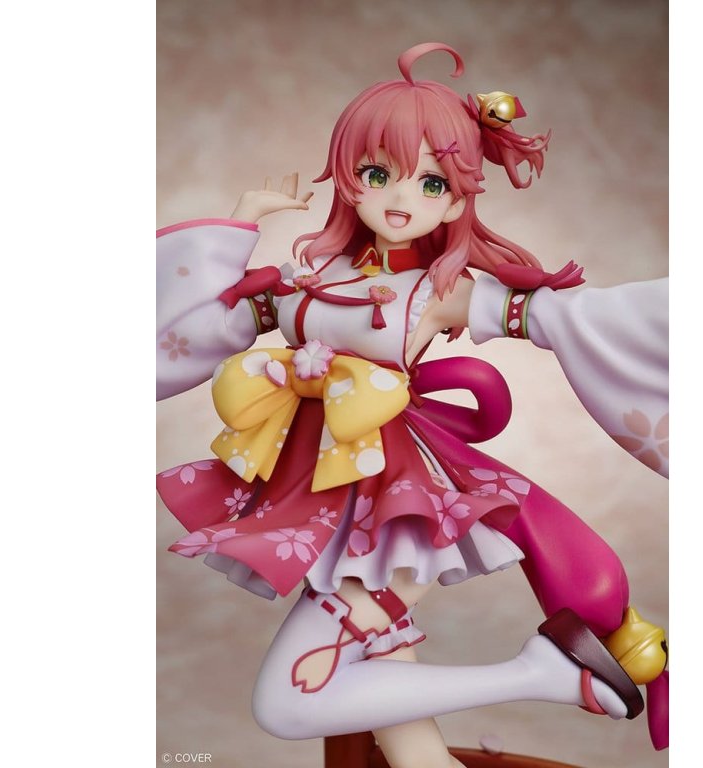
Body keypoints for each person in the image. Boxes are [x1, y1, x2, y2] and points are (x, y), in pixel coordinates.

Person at [156, 42, 668, 768]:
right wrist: (239, 223)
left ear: (458, 200)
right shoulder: (306, 274)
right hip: (309, 493)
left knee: (286, 703)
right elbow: (201, 328)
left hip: (392, 509)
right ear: (349, 178)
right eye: (378, 174)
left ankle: (543, 676)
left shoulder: (442, 292)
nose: (401, 199)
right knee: (408, 741)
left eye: (432, 184)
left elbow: (568, 319)